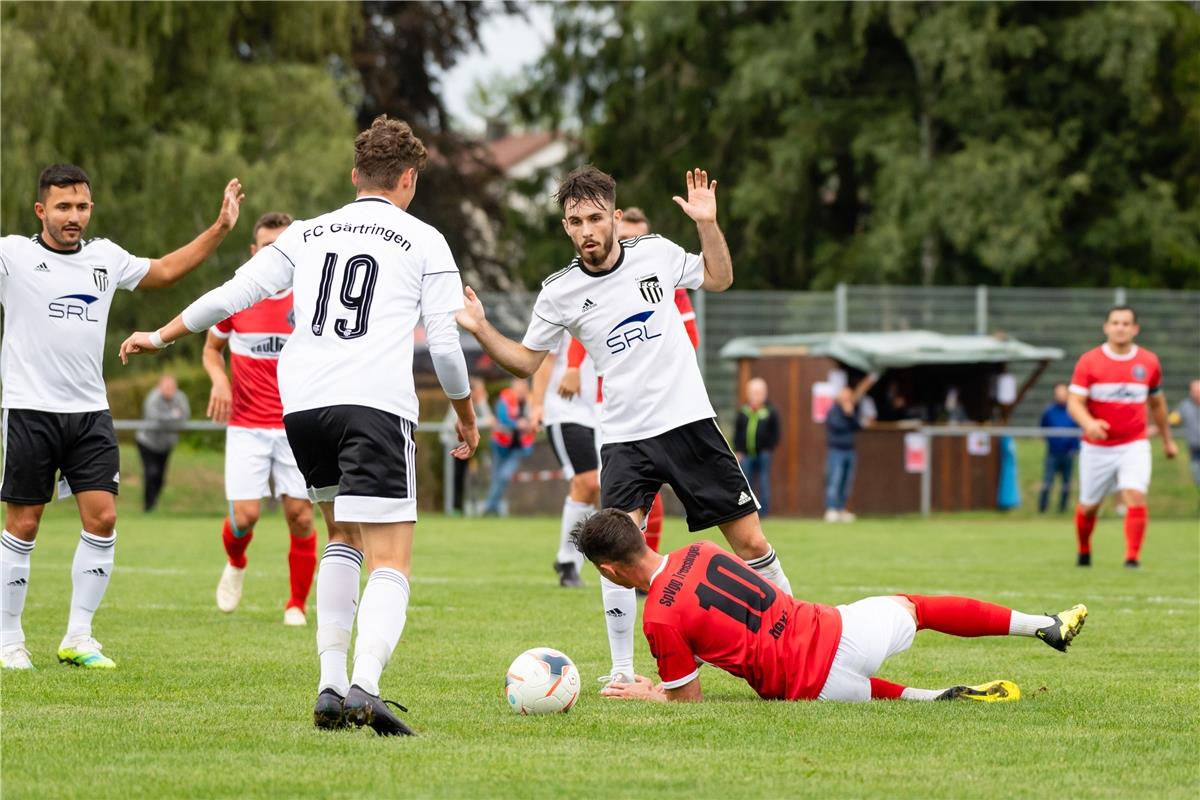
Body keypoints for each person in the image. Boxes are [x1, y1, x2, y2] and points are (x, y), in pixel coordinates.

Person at [118, 116, 480, 736]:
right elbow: (445, 347)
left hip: (304, 408)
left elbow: (232, 293)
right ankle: (366, 683)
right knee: (392, 558)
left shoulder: (309, 233)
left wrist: (158, 333)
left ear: (353, 176)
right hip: (373, 405)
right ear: (409, 180)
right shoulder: (424, 240)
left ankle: (330, 685)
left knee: (343, 537)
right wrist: (465, 412)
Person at [456, 165, 793, 688]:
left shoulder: (656, 253)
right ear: (565, 226)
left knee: (749, 543)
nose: (586, 230)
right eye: (575, 221)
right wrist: (480, 328)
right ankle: (619, 671)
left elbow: (720, 278)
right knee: (614, 550)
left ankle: (794, 643)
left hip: (687, 424)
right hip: (622, 438)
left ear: (614, 217)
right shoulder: (559, 293)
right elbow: (524, 363)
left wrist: (707, 223)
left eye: (595, 218)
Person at [0, 163, 242, 671]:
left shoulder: (105, 258)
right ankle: (8, 640)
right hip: (30, 410)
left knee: (104, 518)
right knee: (23, 525)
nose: (74, 216)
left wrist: (220, 228)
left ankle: (79, 637)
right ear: (41, 210)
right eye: (63, 207)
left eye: (82, 206)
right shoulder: (12, 255)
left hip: (90, 413)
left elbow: (168, 270)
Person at [574, 509, 1088, 704]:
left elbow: (687, 701)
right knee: (916, 606)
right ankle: (1042, 625)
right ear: (641, 536)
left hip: (811, 685)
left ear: (609, 570)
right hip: (839, 629)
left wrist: (650, 695)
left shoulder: (659, 619)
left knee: (878, 696)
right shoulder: (702, 549)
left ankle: (932, 697)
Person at [202, 211, 320, 626]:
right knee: (245, 516)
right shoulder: (237, 298)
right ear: (254, 252)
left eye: (282, 247)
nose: (275, 254)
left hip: (295, 426)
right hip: (247, 426)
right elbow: (211, 350)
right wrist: (219, 381)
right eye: (268, 247)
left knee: (301, 516)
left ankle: (296, 605)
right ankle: (236, 562)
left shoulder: (309, 301)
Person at [612, 206, 700, 552]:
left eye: (640, 239)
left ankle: (643, 563)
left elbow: (690, 340)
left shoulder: (666, 283)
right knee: (613, 496)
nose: (633, 246)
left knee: (647, 495)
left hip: (666, 404)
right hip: (611, 408)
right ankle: (580, 561)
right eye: (626, 239)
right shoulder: (590, 285)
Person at [1068, 306, 1176, 568]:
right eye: (1115, 322)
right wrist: (1089, 423)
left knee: (1135, 495)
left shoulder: (1149, 362)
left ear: (1135, 329)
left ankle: (1132, 558)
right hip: (1097, 447)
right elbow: (1074, 402)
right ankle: (1084, 549)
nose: (1120, 327)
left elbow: (1157, 405)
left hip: (1133, 443)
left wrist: (1167, 440)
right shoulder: (1089, 361)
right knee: (1090, 506)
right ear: (1106, 327)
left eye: (1126, 323)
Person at [530, 333, 601, 587]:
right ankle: (567, 559)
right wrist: (537, 404)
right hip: (565, 409)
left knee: (600, 487)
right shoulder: (563, 305)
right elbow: (545, 361)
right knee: (587, 483)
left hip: (602, 410)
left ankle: (574, 558)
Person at [824, 373, 878, 523]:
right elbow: (837, 426)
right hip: (837, 450)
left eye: (849, 397)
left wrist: (850, 414)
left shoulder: (851, 411)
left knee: (846, 482)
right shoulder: (833, 411)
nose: (847, 400)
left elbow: (857, 426)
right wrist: (847, 416)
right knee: (835, 480)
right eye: (845, 397)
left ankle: (842, 509)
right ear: (840, 398)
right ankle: (831, 509)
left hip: (850, 450)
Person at [135, 374, 190, 512]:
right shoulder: (153, 398)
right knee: (151, 472)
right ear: (160, 387)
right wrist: (173, 416)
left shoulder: (180, 398)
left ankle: (153, 504)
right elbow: (154, 418)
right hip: (147, 443)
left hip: (165, 445)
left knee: (160, 478)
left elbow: (184, 416)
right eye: (166, 387)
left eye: (172, 387)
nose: (169, 390)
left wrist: (168, 418)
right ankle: (148, 507)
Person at [440, 378, 495, 514]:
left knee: (463, 477)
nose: (483, 394)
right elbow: (463, 423)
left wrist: (482, 403)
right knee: (455, 477)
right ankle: (453, 508)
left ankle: (459, 507)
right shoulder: (459, 403)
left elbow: (490, 421)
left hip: (465, 446)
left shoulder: (478, 403)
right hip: (451, 445)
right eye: (481, 391)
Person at [483, 378, 536, 515]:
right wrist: (517, 424)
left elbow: (537, 419)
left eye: (523, 387)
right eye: (519, 386)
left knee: (504, 476)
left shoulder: (532, 401)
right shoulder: (505, 399)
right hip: (501, 445)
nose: (521, 389)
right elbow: (503, 419)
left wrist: (530, 424)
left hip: (519, 449)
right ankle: (493, 509)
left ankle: (490, 508)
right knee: (496, 477)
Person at [734, 377, 780, 517]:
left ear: (764, 394)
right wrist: (739, 450)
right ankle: (748, 512)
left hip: (763, 454)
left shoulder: (770, 412)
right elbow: (738, 433)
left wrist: (768, 448)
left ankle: (764, 512)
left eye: (759, 392)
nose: (756, 395)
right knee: (746, 484)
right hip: (746, 455)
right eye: (753, 392)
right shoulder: (743, 412)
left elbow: (776, 433)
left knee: (764, 482)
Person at [1038, 383, 1081, 514]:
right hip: (1052, 453)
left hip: (1068, 453)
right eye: (1058, 394)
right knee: (1047, 481)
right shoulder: (1049, 411)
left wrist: (1075, 448)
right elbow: (1043, 428)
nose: (1061, 396)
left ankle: (1062, 510)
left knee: (1066, 484)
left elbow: (1079, 429)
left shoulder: (1073, 411)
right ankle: (1042, 509)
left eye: (1063, 393)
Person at [1172, 379, 1200, 491]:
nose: (1197, 392)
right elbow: (1172, 420)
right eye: (1195, 390)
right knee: (1198, 478)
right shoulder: (1185, 406)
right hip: (1195, 451)